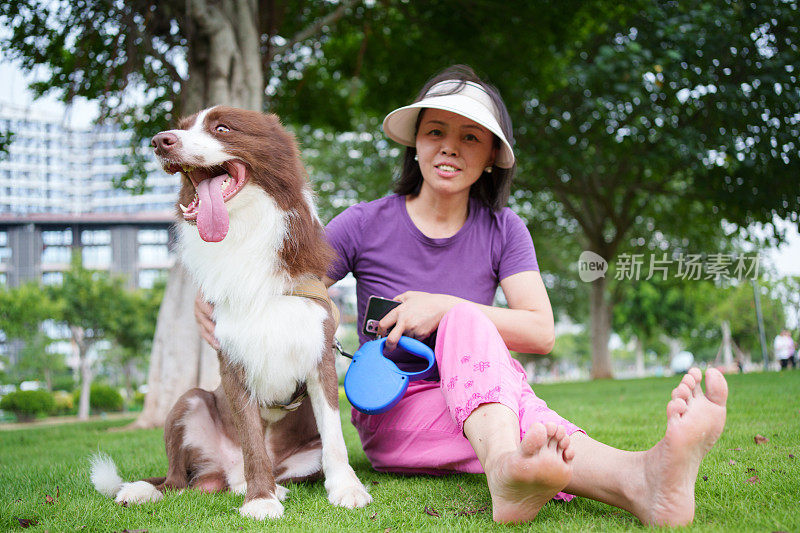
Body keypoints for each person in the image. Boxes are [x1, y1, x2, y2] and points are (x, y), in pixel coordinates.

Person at [195, 65, 728, 525]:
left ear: (494, 155)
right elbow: (286, 280)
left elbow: (541, 331)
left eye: (471, 136)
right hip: (396, 410)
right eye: (436, 131)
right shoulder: (364, 223)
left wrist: (445, 307)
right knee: (521, 414)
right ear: (416, 143)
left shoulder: (505, 229)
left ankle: (615, 482)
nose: (450, 145)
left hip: (488, 398)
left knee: (474, 341)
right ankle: (627, 472)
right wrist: (216, 297)